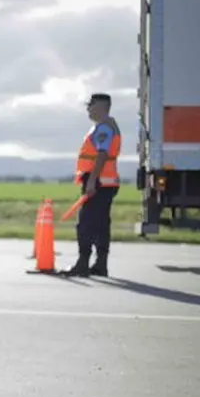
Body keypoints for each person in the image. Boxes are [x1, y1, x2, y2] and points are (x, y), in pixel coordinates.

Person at [61, 93, 121, 277]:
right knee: (101, 224)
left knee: (85, 224)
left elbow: (102, 155)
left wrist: (92, 180)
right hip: (105, 182)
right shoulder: (107, 126)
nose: (88, 109)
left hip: (98, 183)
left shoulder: (104, 129)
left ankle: (83, 264)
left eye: (91, 105)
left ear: (100, 107)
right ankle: (100, 265)